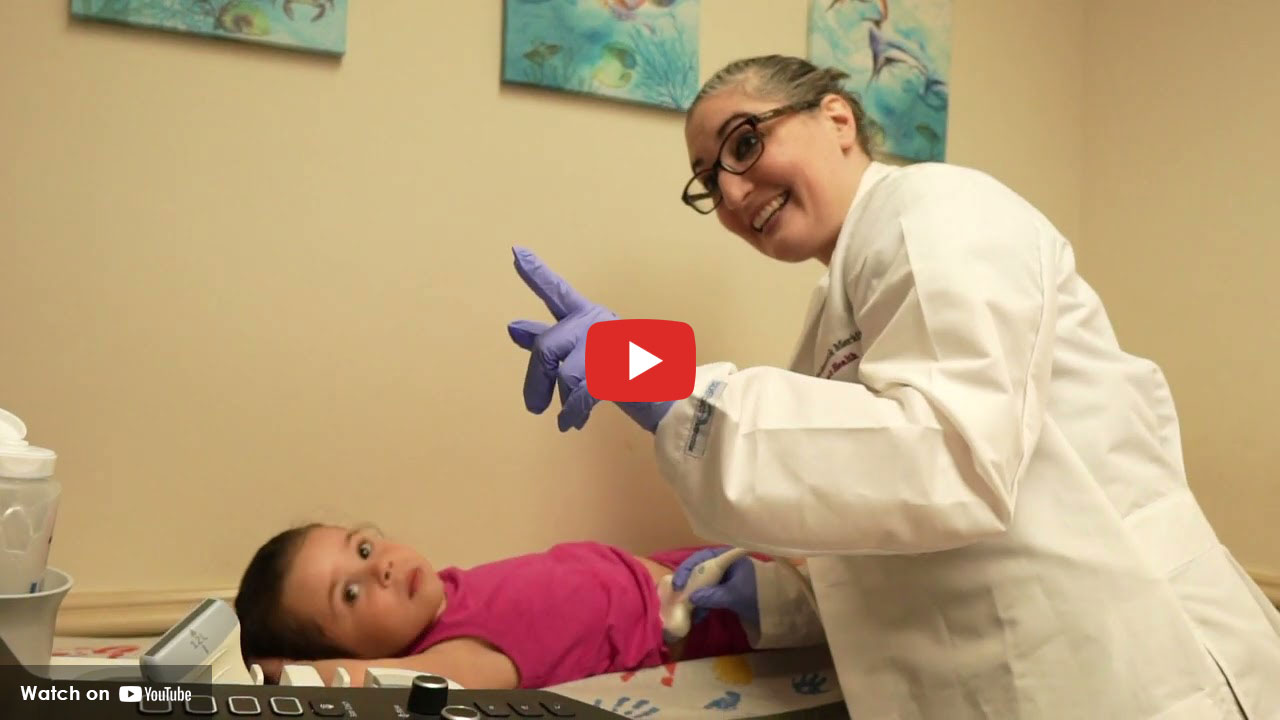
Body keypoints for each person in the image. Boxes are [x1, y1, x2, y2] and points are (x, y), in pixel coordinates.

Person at [506, 55, 1280, 718]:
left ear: (837, 117)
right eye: (709, 181)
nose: (734, 195)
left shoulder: (942, 209)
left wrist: (665, 383)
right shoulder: (834, 314)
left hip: (1128, 675)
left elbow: (949, 456)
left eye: (746, 144)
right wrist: (780, 600)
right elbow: (888, 516)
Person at [232, 523, 823, 689]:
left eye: (362, 547)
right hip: (703, 617)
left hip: (671, 566)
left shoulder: (439, 596)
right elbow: (392, 684)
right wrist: (276, 675)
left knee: (822, 550)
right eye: (352, 594)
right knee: (836, 601)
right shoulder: (459, 658)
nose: (379, 564)